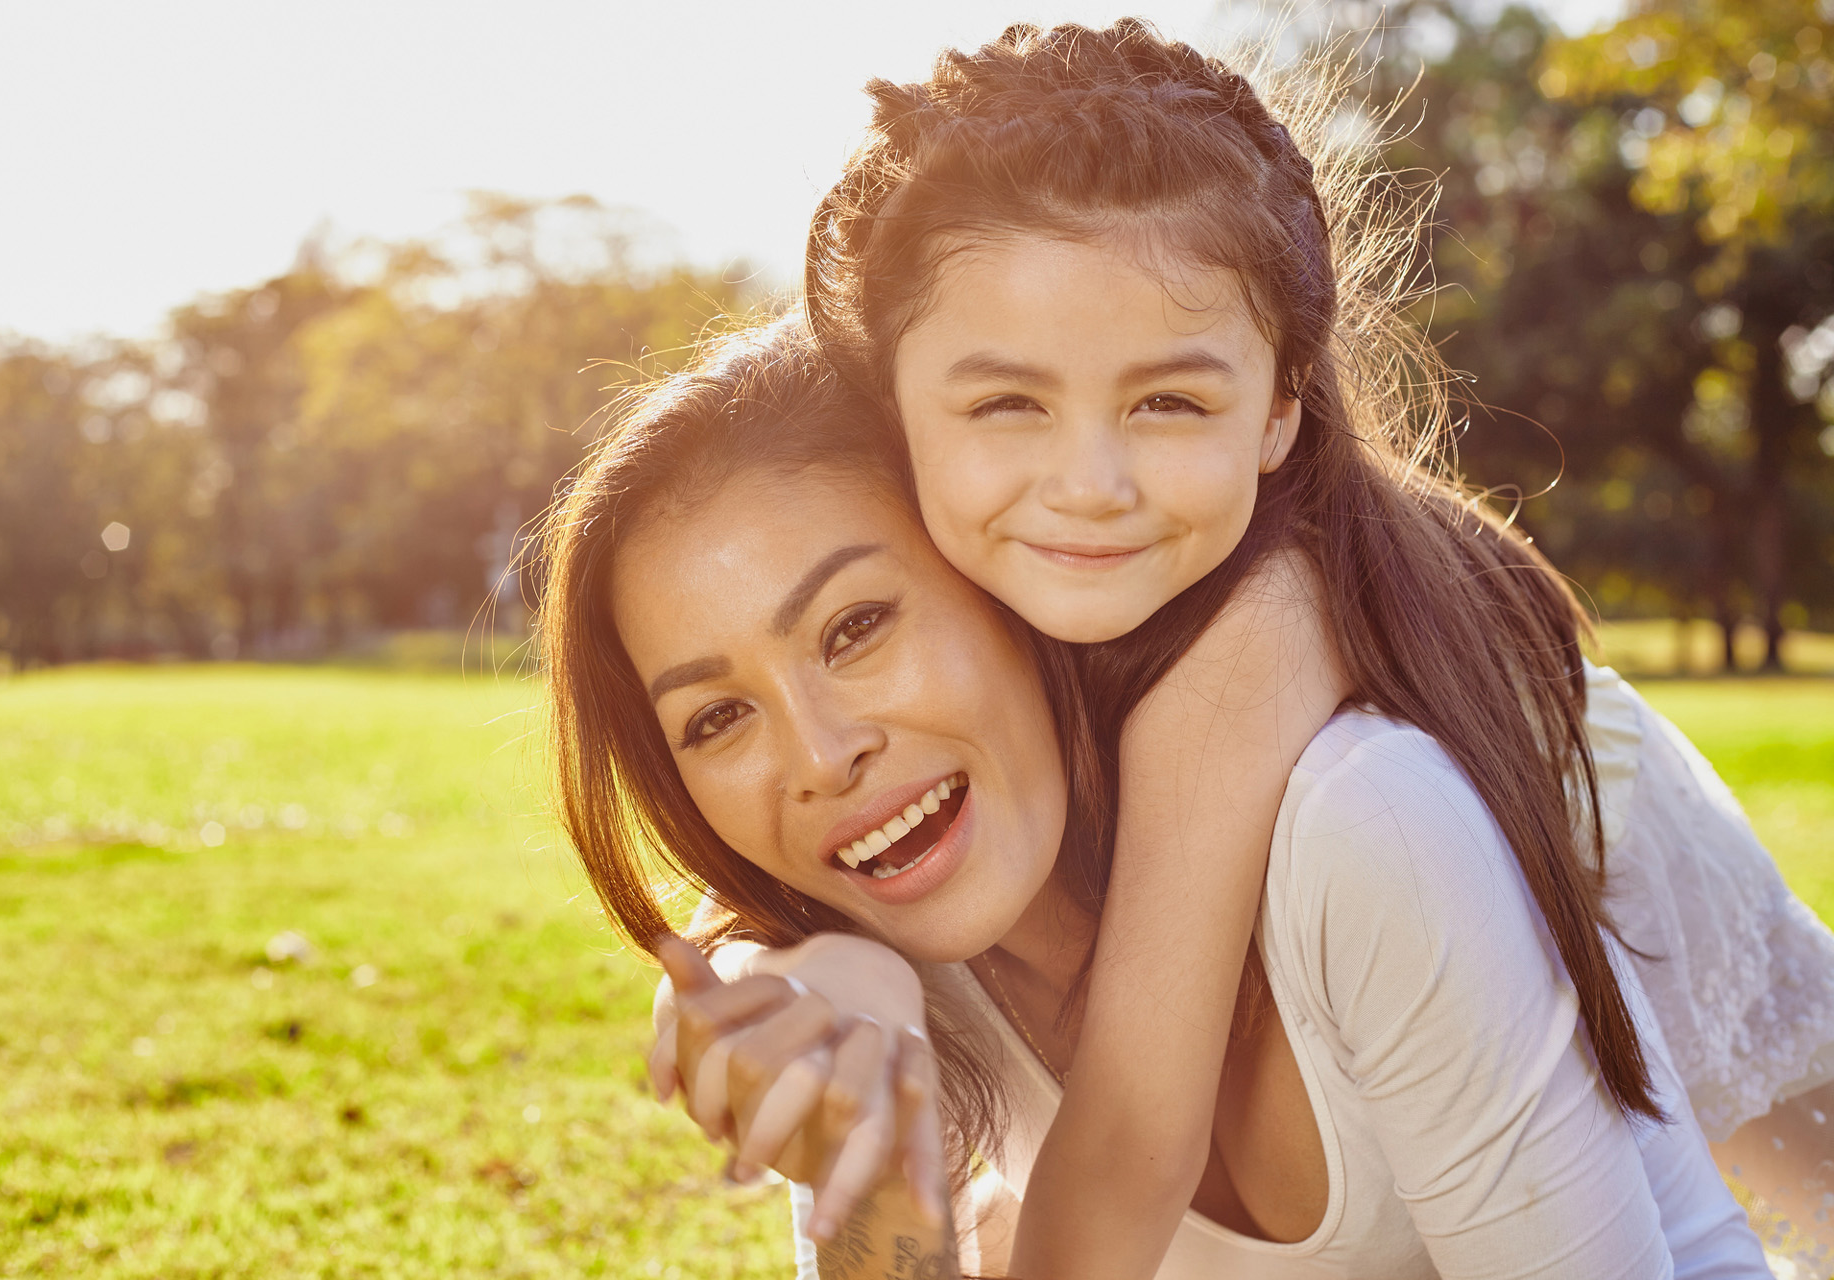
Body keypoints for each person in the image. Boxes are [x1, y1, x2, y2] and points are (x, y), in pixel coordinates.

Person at [653, 20, 1834, 1279]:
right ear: (894, 407)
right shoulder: (972, 714)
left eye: (1169, 400)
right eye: (1008, 402)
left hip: (1610, 858)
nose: (1091, 486)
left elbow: (1134, 1143)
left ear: (1282, 406)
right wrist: (755, 969)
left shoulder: (1262, 649)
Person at [544, 317, 1777, 1277]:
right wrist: (876, 1166)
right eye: (715, 716)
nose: (819, 755)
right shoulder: (860, 979)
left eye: (857, 623)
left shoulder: (1357, 820)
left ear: (999, 565)